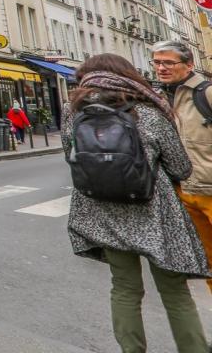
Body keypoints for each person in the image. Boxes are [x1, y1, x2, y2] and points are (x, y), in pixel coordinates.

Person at [64, 53, 210, 353]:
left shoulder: (74, 114)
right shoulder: (149, 111)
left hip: (102, 210)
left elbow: (72, 158)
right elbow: (181, 167)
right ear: (129, 75)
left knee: (125, 288)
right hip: (154, 212)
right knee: (175, 291)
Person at [152, 40, 212, 293]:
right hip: (184, 192)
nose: (161, 68)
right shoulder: (159, 98)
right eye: (157, 62)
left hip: (209, 188)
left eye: (168, 62)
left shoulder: (206, 93)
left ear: (188, 65)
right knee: (208, 262)